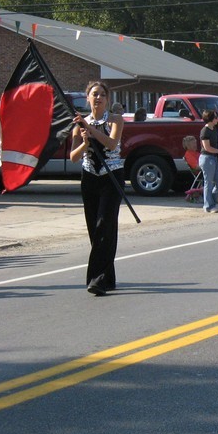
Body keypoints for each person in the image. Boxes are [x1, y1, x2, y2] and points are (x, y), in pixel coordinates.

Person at [69, 81, 125, 296]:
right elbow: (74, 157)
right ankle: (107, 277)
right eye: (95, 94)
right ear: (88, 98)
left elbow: (111, 144)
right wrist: (84, 141)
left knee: (105, 224)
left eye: (102, 94)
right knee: (95, 228)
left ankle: (97, 279)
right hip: (90, 177)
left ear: (107, 99)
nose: (98, 97)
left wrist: (90, 128)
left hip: (111, 177)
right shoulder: (79, 124)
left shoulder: (115, 120)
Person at [199, 110, 218, 213]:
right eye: (215, 117)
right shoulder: (205, 131)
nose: (217, 119)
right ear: (211, 119)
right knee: (208, 182)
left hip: (216, 157)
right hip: (207, 158)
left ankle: (213, 200)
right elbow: (207, 147)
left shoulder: (215, 129)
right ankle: (208, 205)